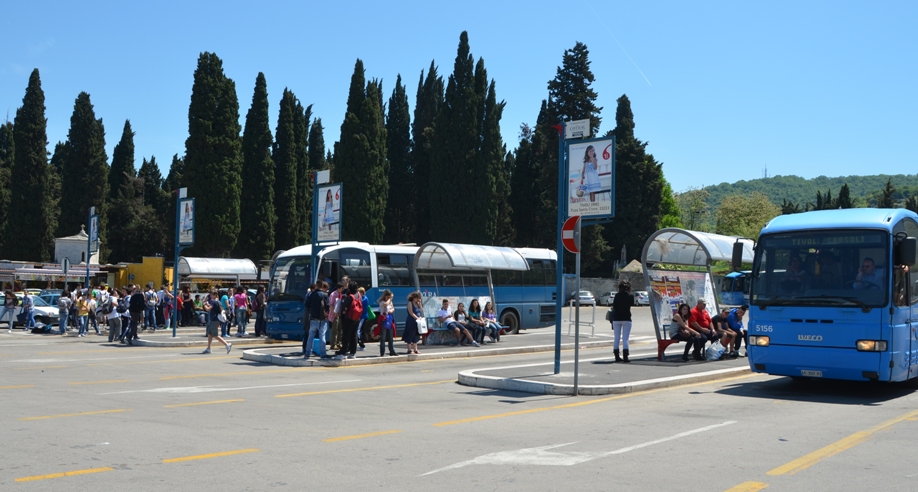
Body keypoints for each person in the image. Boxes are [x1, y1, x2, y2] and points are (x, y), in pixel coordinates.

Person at [304, 282, 329, 359]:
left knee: (310, 336)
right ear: (322, 286)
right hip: (322, 319)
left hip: (313, 318)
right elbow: (327, 307)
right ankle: (323, 354)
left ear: (316, 286)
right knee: (322, 336)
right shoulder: (324, 295)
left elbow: (306, 305)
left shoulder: (311, 294)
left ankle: (307, 353)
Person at [611, 280, 635, 362]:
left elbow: (614, 306)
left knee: (616, 338)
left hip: (616, 319)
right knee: (625, 339)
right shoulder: (630, 296)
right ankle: (625, 356)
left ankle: (616, 356)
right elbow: (632, 304)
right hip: (627, 319)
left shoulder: (617, 296)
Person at [202, 289, 232, 355]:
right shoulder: (217, 301)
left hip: (214, 320)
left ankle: (227, 344)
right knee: (209, 333)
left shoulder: (214, 302)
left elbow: (207, 309)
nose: (210, 296)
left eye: (211, 295)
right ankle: (208, 348)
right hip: (214, 319)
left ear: (215, 295)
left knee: (215, 335)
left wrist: (204, 304)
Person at [378, 289, 398, 356]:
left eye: (389, 297)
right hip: (384, 319)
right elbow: (385, 304)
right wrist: (391, 298)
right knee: (383, 337)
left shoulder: (390, 302)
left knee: (390, 336)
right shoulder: (382, 301)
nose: (388, 298)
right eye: (387, 297)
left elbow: (393, 308)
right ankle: (382, 352)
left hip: (389, 319)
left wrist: (391, 310)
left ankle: (391, 350)